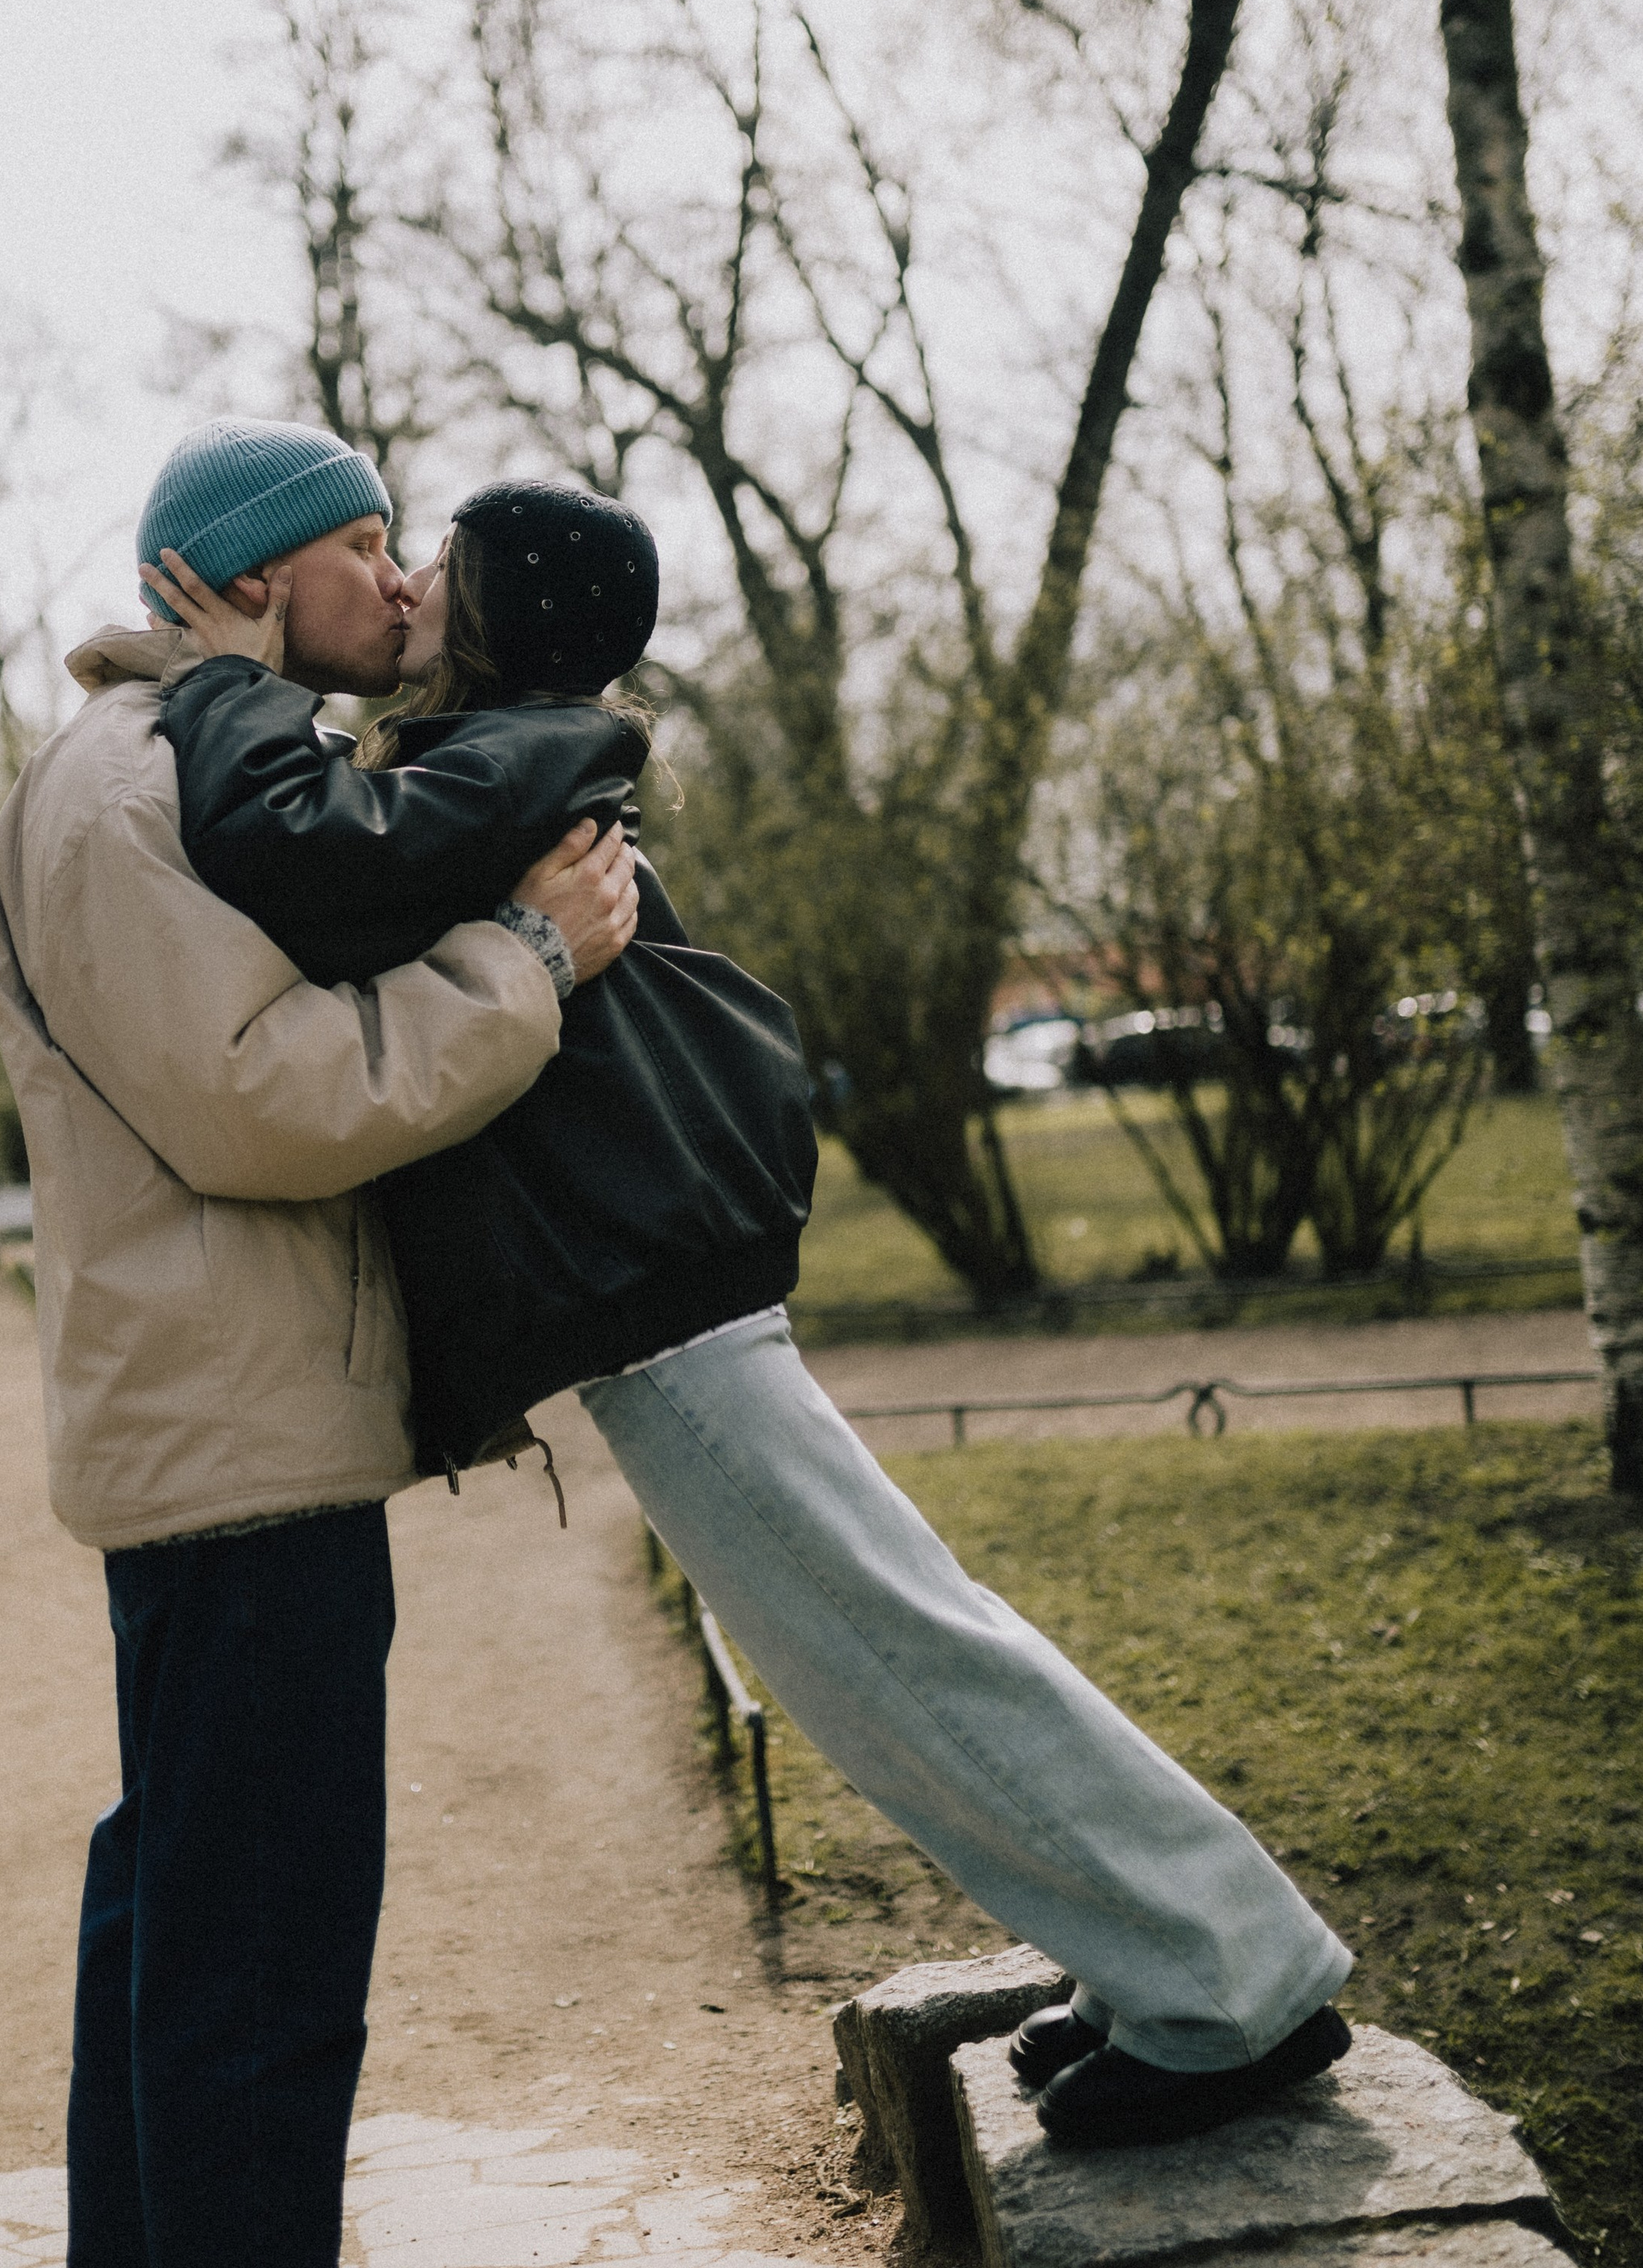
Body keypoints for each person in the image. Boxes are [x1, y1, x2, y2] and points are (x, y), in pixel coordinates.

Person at [146, 477, 1357, 2169]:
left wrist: (217, 682)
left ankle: (1233, 1987)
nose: (404, 580)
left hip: (664, 1303)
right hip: (661, 1297)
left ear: (495, 606)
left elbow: (293, 863)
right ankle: (1159, 1960)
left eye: (434, 560)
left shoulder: (513, 755)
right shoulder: (502, 750)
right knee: (873, 1644)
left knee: (885, 1649)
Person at [0, 420, 631, 2268]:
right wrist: (526, 971)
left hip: (221, 1431)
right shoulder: (120, 791)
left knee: (171, 1910)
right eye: (369, 550)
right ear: (244, 578)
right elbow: (262, 1101)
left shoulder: (177, 769)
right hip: (240, 1448)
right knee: (259, 1965)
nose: (405, 590)